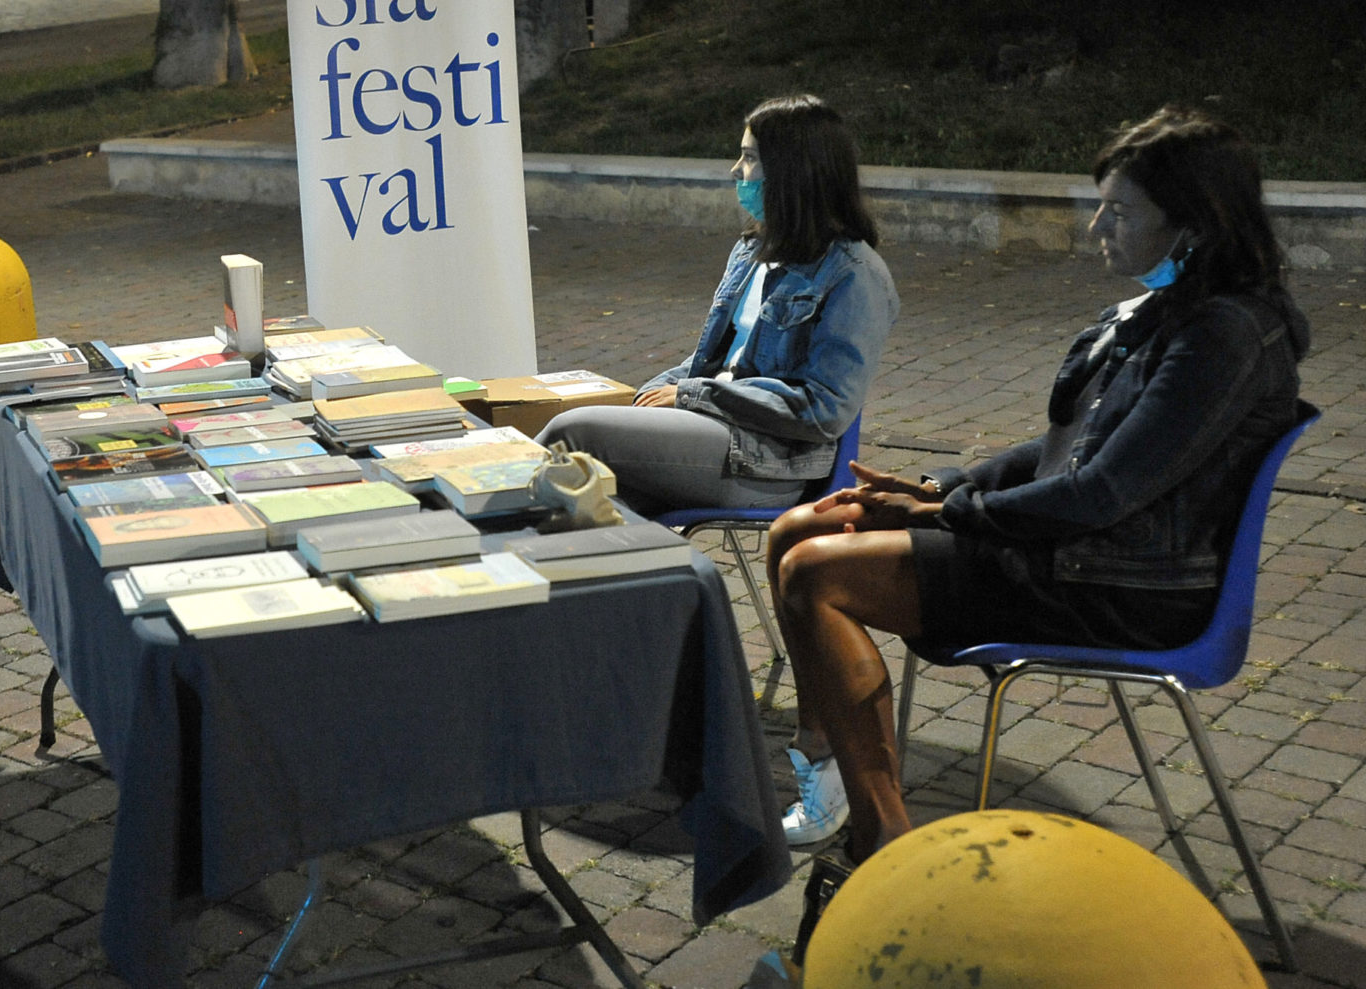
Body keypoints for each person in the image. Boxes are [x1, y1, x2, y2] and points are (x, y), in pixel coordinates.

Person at [767, 106, 1309, 864]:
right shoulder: (1174, 311)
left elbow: (1100, 491)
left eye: (1119, 211)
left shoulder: (1221, 335)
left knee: (814, 572)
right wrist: (937, 486)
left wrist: (953, 512)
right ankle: (832, 769)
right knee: (798, 528)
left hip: (1124, 583)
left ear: (1193, 222)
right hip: (1083, 548)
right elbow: (1065, 447)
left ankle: (879, 833)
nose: (1098, 228)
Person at [537, 95, 898, 516]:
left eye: (749, 158)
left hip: (768, 462)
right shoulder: (751, 251)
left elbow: (824, 411)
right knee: (580, 495)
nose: (735, 170)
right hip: (712, 431)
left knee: (572, 433)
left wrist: (690, 396)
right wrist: (648, 395)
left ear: (791, 173)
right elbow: (714, 359)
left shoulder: (855, 275)